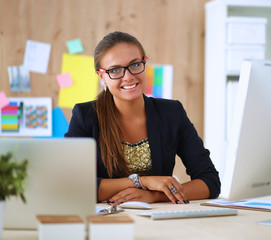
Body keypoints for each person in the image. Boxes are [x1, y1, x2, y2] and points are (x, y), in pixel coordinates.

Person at [65, 31, 220, 205]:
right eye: (115, 70)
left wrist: (154, 196)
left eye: (135, 65)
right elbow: (72, 186)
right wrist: (142, 181)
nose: (129, 76)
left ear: (144, 62)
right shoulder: (85, 116)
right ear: (102, 76)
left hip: (159, 218)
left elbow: (210, 181)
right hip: (108, 219)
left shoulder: (172, 112)